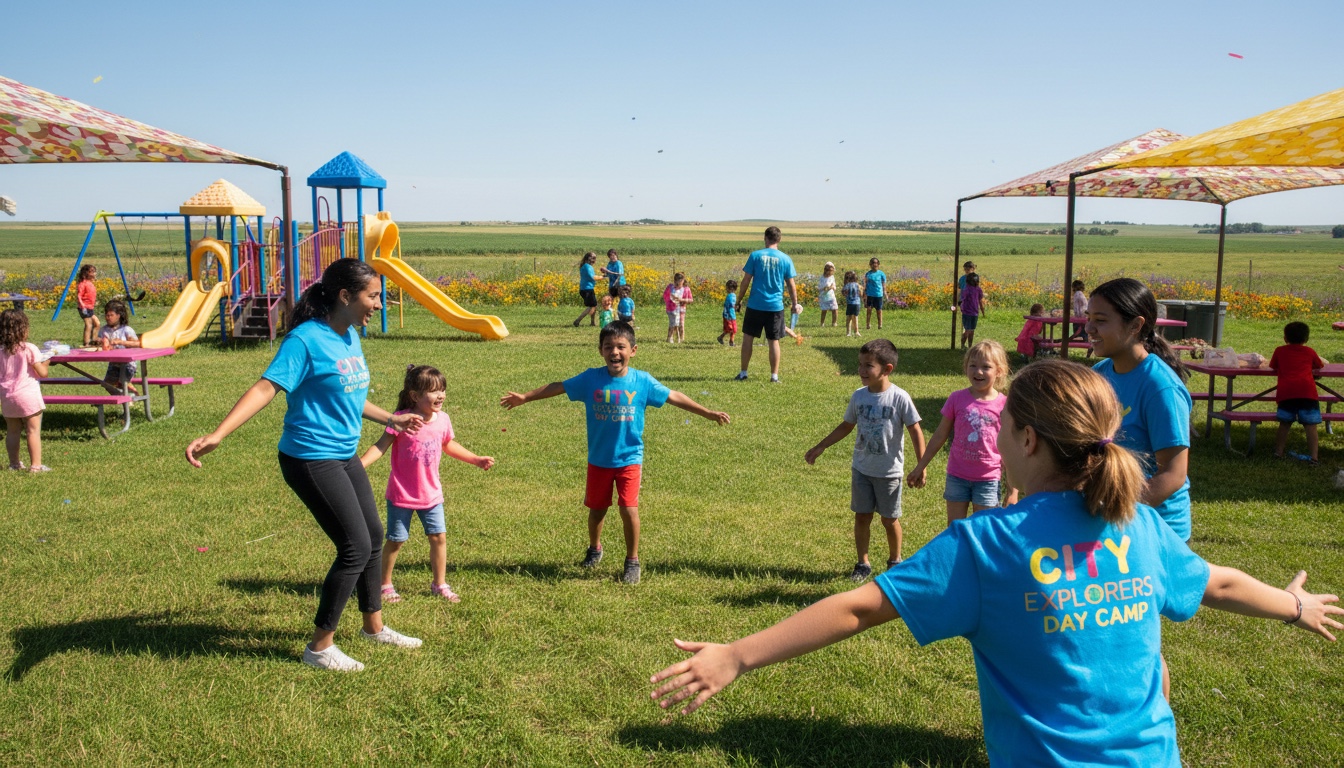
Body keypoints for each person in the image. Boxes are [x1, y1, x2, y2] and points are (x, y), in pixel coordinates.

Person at [651, 360, 1343, 768]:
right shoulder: (1137, 522)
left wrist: (739, 654)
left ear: (1028, 438)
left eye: (1005, 425)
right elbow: (1216, 581)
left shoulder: (984, 546)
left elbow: (862, 605)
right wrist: (1295, 606)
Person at [185, 258, 426, 672]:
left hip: (343, 453)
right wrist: (219, 433)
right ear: (346, 296)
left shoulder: (349, 335)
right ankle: (319, 647)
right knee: (353, 546)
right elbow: (266, 387)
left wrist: (391, 418)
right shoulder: (305, 340)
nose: (379, 304)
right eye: (373, 296)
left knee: (371, 535)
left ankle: (373, 627)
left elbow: (347, 393)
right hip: (310, 457)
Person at [501, 321, 729, 585]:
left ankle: (632, 561)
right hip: (598, 460)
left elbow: (673, 396)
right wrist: (526, 397)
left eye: (621, 347)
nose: (615, 352)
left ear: (633, 350)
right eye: (608, 347)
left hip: (630, 458)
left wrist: (708, 413)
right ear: (600, 351)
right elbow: (559, 386)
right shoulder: (591, 379)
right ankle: (595, 549)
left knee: (628, 508)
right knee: (597, 510)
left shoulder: (642, 381)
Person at [361, 365, 494, 604]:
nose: (441, 395)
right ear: (415, 396)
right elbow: (381, 446)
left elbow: (449, 445)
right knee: (396, 540)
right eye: (434, 391)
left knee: (438, 537)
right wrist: (358, 466)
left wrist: (476, 459)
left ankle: (439, 584)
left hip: (431, 494)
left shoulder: (442, 419)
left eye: (442, 389)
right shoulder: (402, 420)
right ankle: (385, 585)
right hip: (401, 494)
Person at [805, 339, 925, 581]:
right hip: (861, 469)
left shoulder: (900, 398)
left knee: (890, 519)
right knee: (862, 516)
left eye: (868, 366)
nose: (861, 370)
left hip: (889, 472)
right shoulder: (859, 396)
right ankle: (863, 563)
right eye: (860, 364)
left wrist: (921, 466)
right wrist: (821, 446)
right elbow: (847, 425)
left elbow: (915, 430)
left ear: (887, 369)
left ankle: (895, 561)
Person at [1086, 278, 1191, 541]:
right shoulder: (1099, 375)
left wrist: (1119, 512)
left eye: (1100, 320)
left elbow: (1173, 474)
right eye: (1088, 318)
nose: (1088, 328)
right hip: (1113, 521)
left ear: (1135, 325)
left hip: (1156, 530)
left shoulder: (1160, 387)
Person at [909, 340, 1017, 525]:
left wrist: (1012, 491)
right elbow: (940, 435)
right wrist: (920, 466)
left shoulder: (1004, 405)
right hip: (957, 476)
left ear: (999, 371)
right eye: (973, 366)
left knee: (982, 530)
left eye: (986, 367)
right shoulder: (956, 398)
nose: (978, 371)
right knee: (955, 529)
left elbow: (1010, 447)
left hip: (988, 479)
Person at [734, 227, 798, 383]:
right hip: (775, 307)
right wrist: (795, 304)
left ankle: (743, 373)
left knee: (748, 338)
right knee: (773, 341)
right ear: (779, 239)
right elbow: (791, 284)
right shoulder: (785, 259)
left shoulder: (755, 256)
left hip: (755, 304)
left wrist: (739, 300)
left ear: (765, 238)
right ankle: (774, 376)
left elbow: (746, 281)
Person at [0, 309, 49, 472]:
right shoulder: (29, 348)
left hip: (8, 396)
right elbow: (42, 373)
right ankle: (35, 466)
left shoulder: (0, 351)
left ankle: (14, 464)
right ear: (23, 329)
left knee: (12, 431)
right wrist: (47, 360)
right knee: (32, 431)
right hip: (28, 396)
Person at [1271, 321, 1327, 464]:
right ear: (1306, 339)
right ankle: (1314, 457)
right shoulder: (1309, 351)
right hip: (1307, 392)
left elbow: (1273, 366)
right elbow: (1319, 365)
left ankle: (1278, 452)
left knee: (1284, 423)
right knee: (1310, 425)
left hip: (1286, 393)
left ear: (1285, 338)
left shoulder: (1279, 351)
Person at [97, 299, 141, 395]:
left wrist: (122, 342)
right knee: (107, 384)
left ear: (118, 315)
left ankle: (132, 395)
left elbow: (138, 344)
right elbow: (100, 343)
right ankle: (123, 399)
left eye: (111, 315)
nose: (108, 318)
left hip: (127, 364)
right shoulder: (104, 330)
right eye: (107, 315)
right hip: (113, 364)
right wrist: (98, 343)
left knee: (123, 382)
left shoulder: (126, 329)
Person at [573, 251, 599, 327]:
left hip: (586, 288)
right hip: (587, 289)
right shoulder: (587, 267)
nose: (594, 259)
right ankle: (578, 320)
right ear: (589, 258)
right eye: (593, 258)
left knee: (594, 305)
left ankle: (592, 322)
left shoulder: (585, 266)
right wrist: (603, 277)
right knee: (591, 306)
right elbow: (592, 277)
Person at [75, 264, 100, 346]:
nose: (94, 274)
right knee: (88, 324)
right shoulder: (83, 284)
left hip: (90, 308)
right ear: (85, 273)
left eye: (94, 272)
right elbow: (79, 295)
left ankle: (94, 340)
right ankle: (86, 343)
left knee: (97, 323)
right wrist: (82, 305)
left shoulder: (90, 283)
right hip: (84, 308)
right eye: (92, 272)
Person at [959, 273, 984, 349]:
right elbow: (980, 300)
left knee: (968, 330)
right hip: (972, 313)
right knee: (970, 330)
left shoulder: (966, 289)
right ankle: (968, 346)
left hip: (968, 312)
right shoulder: (977, 289)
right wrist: (983, 311)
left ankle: (965, 345)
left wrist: (960, 306)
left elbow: (961, 299)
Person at [662, 273, 689, 343]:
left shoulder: (685, 289)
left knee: (679, 325)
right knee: (673, 324)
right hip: (671, 309)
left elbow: (690, 299)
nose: (678, 283)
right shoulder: (671, 287)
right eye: (676, 281)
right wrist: (669, 301)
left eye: (680, 282)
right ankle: (670, 338)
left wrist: (681, 300)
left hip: (680, 309)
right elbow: (665, 295)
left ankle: (680, 339)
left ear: (683, 281)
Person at [863, 258, 887, 330]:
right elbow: (865, 284)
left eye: (876, 263)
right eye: (873, 263)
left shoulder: (881, 274)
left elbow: (884, 283)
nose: (875, 264)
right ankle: (868, 324)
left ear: (878, 264)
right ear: (870, 265)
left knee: (879, 310)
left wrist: (885, 292)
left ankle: (880, 324)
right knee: (869, 310)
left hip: (878, 295)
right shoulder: (868, 274)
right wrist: (864, 295)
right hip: (870, 295)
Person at [717, 279, 738, 346]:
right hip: (729, 316)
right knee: (733, 329)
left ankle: (721, 337)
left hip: (728, 315)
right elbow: (731, 306)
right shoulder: (731, 296)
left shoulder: (731, 296)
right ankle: (731, 342)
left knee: (728, 329)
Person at [817, 262, 838, 327]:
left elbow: (834, 285)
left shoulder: (832, 277)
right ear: (826, 271)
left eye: (832, 272)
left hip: (831, 296)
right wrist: (825, 288)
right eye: (829, 272)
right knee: (824, 310)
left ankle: (834, 322)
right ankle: (822, 323)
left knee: (835, 309)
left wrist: (833, 287)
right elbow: (819, 287)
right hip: (824, 296)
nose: (830, 273)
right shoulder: (822, 278)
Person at [842, 271, 862, 337]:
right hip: (857, 303)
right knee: (855, 317)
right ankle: (856, 331)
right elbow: (861, 294)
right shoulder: (858, 285)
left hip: (850, 303)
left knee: (849, 318)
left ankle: (848, 332)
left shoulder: (847, 285)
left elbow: (843, 293)